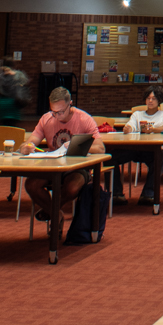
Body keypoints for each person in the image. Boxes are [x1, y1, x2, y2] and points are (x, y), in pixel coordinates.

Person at [27, 87, 106, 240]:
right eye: (53, 112)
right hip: (53, 165)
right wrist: (27, 147)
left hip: (77, 166)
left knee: (72, 187)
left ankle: (51, 212)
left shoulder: (84, 119)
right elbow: (31, 141)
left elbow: (101, 148)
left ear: (70, 104)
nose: (57, 116)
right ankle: (57, 214)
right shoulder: (46, 119)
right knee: (31, 185)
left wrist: (77, 145)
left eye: (60, 112)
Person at [126, 91, 163, 206]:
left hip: (152, 150)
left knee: (160, 161)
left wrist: (152, 129)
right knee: (112, 157)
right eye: (148, 98)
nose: (150, 101)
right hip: (134, 148)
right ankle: (116, 194)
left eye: (153, 98)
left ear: (159, 101)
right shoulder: (137, 114)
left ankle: (148, 194)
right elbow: (131, 125)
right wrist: (127, 128)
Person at [0, 54, 31, 125]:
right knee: (13, 126)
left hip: (2, 103)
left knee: (3, 125)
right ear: (13, 65)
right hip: (14, 103)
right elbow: (25, 82)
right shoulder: (19, 74)